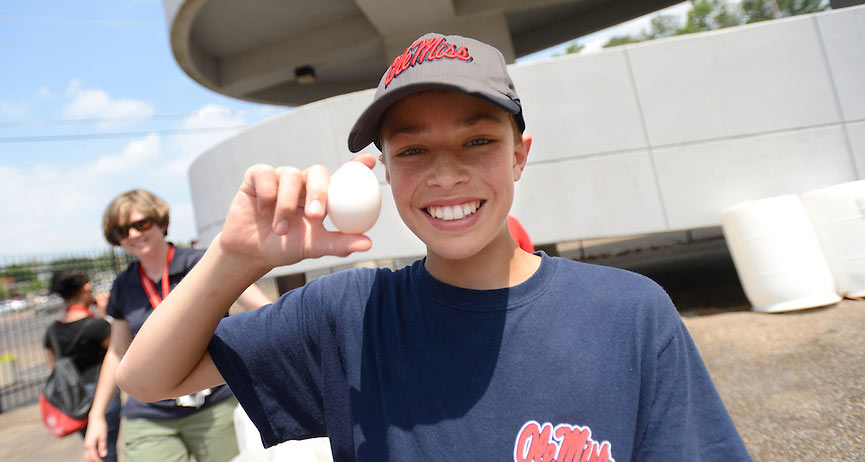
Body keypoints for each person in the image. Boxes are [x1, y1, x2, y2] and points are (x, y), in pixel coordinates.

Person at [115, 33, 752, 461]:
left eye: (477, 140)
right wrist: (237, 256)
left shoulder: (631, 312)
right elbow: (148, 376)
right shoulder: (348, 316)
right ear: (385, 171)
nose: (446, 175)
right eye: (413, 149)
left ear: (519, 155)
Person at [83, 189, 272, 462]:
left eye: (141, 224)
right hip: (150, 411)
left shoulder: (202, 262)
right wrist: (97, 415)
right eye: (121, 231)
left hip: (215, 402)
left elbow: (263, 309)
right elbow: (117, 352)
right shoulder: (123, 285)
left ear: (160, 222)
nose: (133, 235)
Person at [44, 269, 120, 462]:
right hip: (101, 392)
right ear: (86, 288)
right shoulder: (97, 326)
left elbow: (53, 365)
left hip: (73, 397)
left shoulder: (52, 330)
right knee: (106, 449)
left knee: (92, 447)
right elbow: (119, 351)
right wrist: (105, 315)